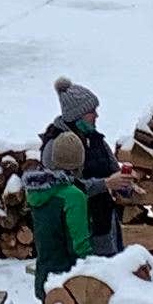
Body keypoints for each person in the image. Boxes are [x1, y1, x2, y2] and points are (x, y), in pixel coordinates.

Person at [43, 77, 121, 255]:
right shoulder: (56, 146)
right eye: (92, 111)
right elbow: (63, 187)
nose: (96, 116)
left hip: (105, 223)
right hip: (77, 232)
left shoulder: (96, 139)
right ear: (77, 114)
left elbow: (113, 169)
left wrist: (125, 182)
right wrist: (106, 184)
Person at [26, 132, 95, 295]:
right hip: (68, 282)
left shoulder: (38, 191)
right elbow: (79, 245)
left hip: (45, 276)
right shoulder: (73, 197)